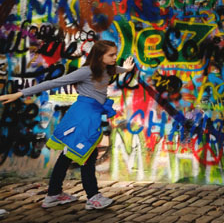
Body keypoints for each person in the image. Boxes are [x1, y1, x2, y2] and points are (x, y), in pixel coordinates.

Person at [0, 40, 133, 210]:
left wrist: (126, 70)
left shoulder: (107, 68)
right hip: (82, 117)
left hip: (90, 115)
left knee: (68, 155)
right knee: (87, 154)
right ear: (100, 56)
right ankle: (93, 197)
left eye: (116, 54)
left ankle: (53, 195)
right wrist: (20, 93)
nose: (115, 57)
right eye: (111, 55)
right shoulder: (86, 72)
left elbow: (116, 69)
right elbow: (54, 83)